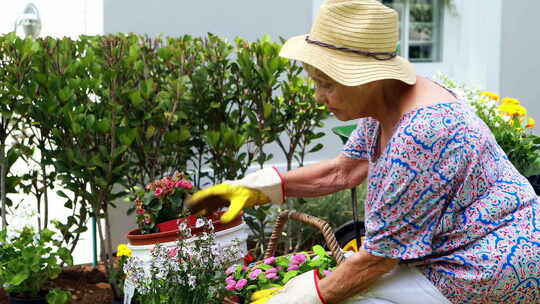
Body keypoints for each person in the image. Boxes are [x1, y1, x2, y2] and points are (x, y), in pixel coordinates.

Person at [187, 0, 540, 303]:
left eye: (327, 85)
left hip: (490, 264)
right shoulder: (388, 102)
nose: (318, 98)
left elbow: (379, 259)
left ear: (367, 78)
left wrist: (307, 296)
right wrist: (258, 188)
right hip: (459, 251)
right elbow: (345, 170)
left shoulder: (422, 132)